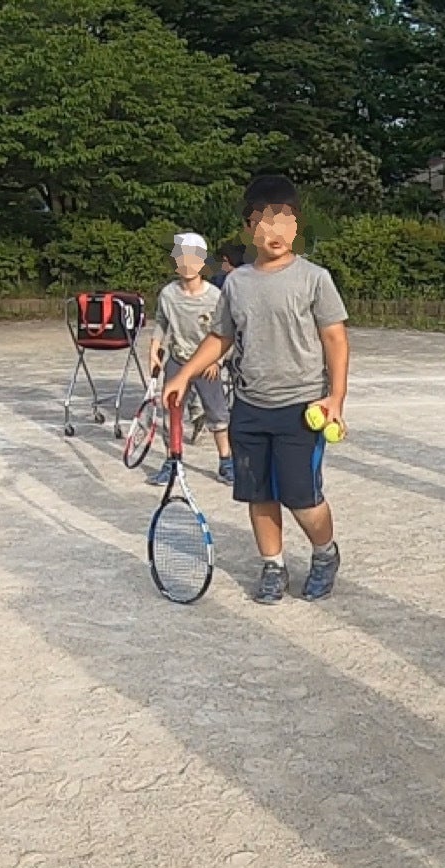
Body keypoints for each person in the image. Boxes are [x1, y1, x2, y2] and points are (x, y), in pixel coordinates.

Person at [165, 175, 350, 605]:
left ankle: (325, 554)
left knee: (302, 499)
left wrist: (336, 397)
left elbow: (335, 339)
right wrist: (184, 374)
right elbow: (221, 337)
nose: (275, 232)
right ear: (249, 229)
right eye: (264, 223)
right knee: (259, 494)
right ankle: (273, 565)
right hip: (249, 407)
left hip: (302, 408)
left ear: (297, 225)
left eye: (284, 221)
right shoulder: (237, 283)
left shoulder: (314, 278)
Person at [148, 232, 233, 485]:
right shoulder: (168, 295)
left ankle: (226, 462)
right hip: (177, 360)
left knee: (217, 414)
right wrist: (154, 349)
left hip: (206, 365)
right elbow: (161, 323)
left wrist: (217, 361)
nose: (187, 263)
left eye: (194, 257)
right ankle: (172, 461)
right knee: (171, 412)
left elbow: (227, 332)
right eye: (182, 257)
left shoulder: (215, 296)